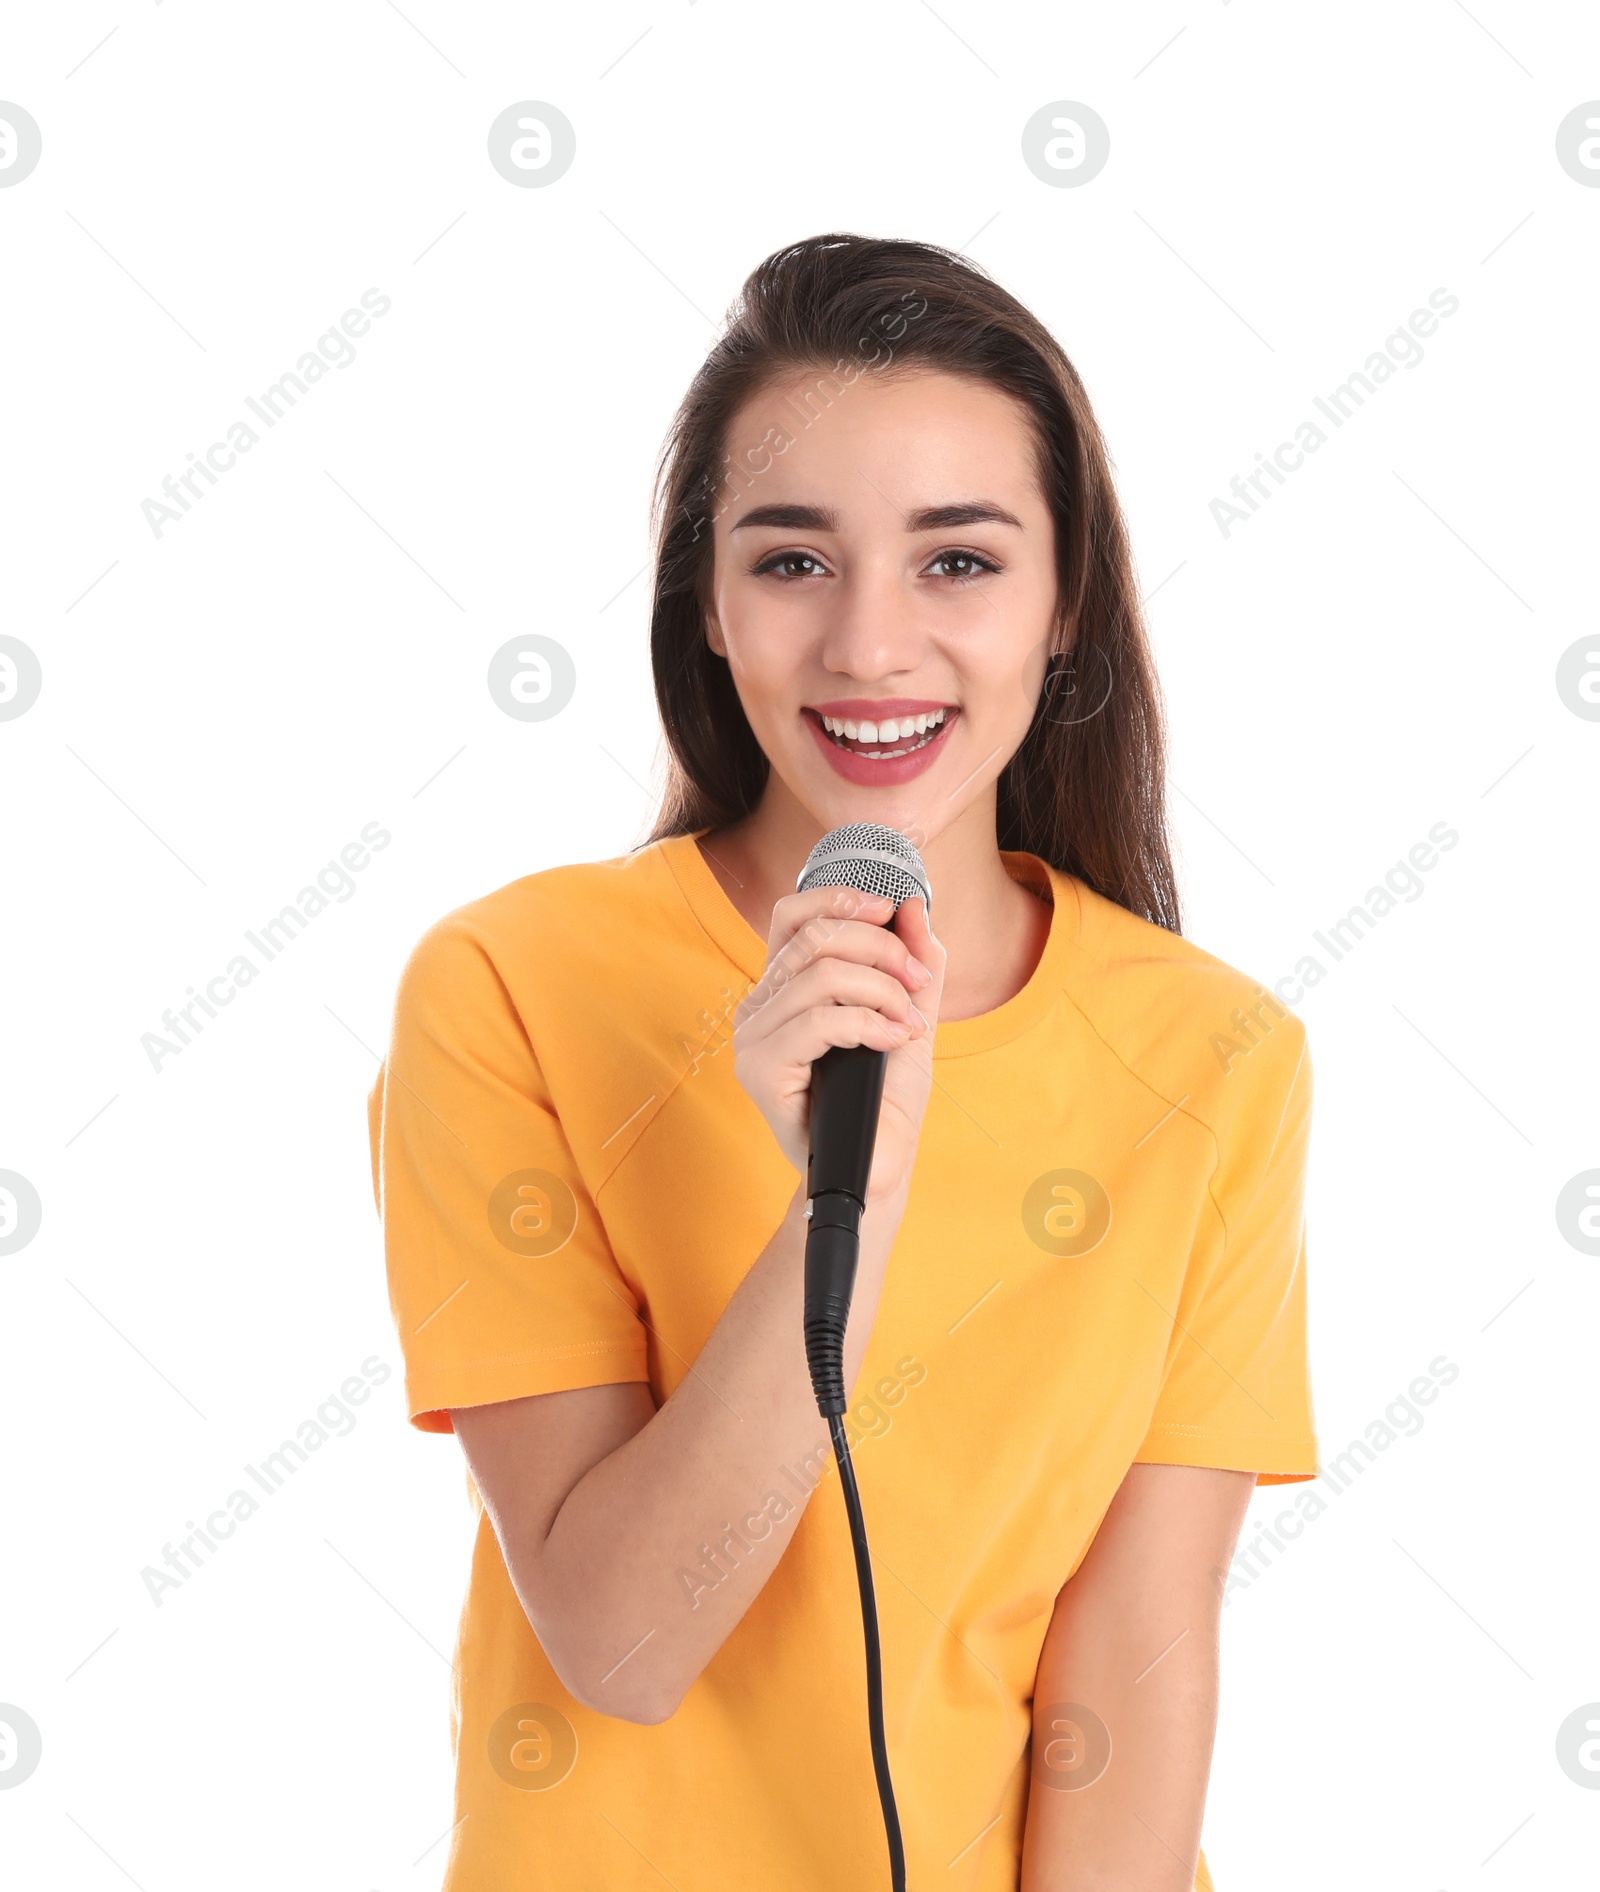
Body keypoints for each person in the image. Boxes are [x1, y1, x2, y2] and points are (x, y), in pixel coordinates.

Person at [367, 232, 1319, 1891]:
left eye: (959, 562)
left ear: (1065, 600)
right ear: (710, 606)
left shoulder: (1216, 1056)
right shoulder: (512, 987)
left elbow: (1133, 1677)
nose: (873, 649)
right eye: (795, 562)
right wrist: (849, 1205)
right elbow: (621, 1639)